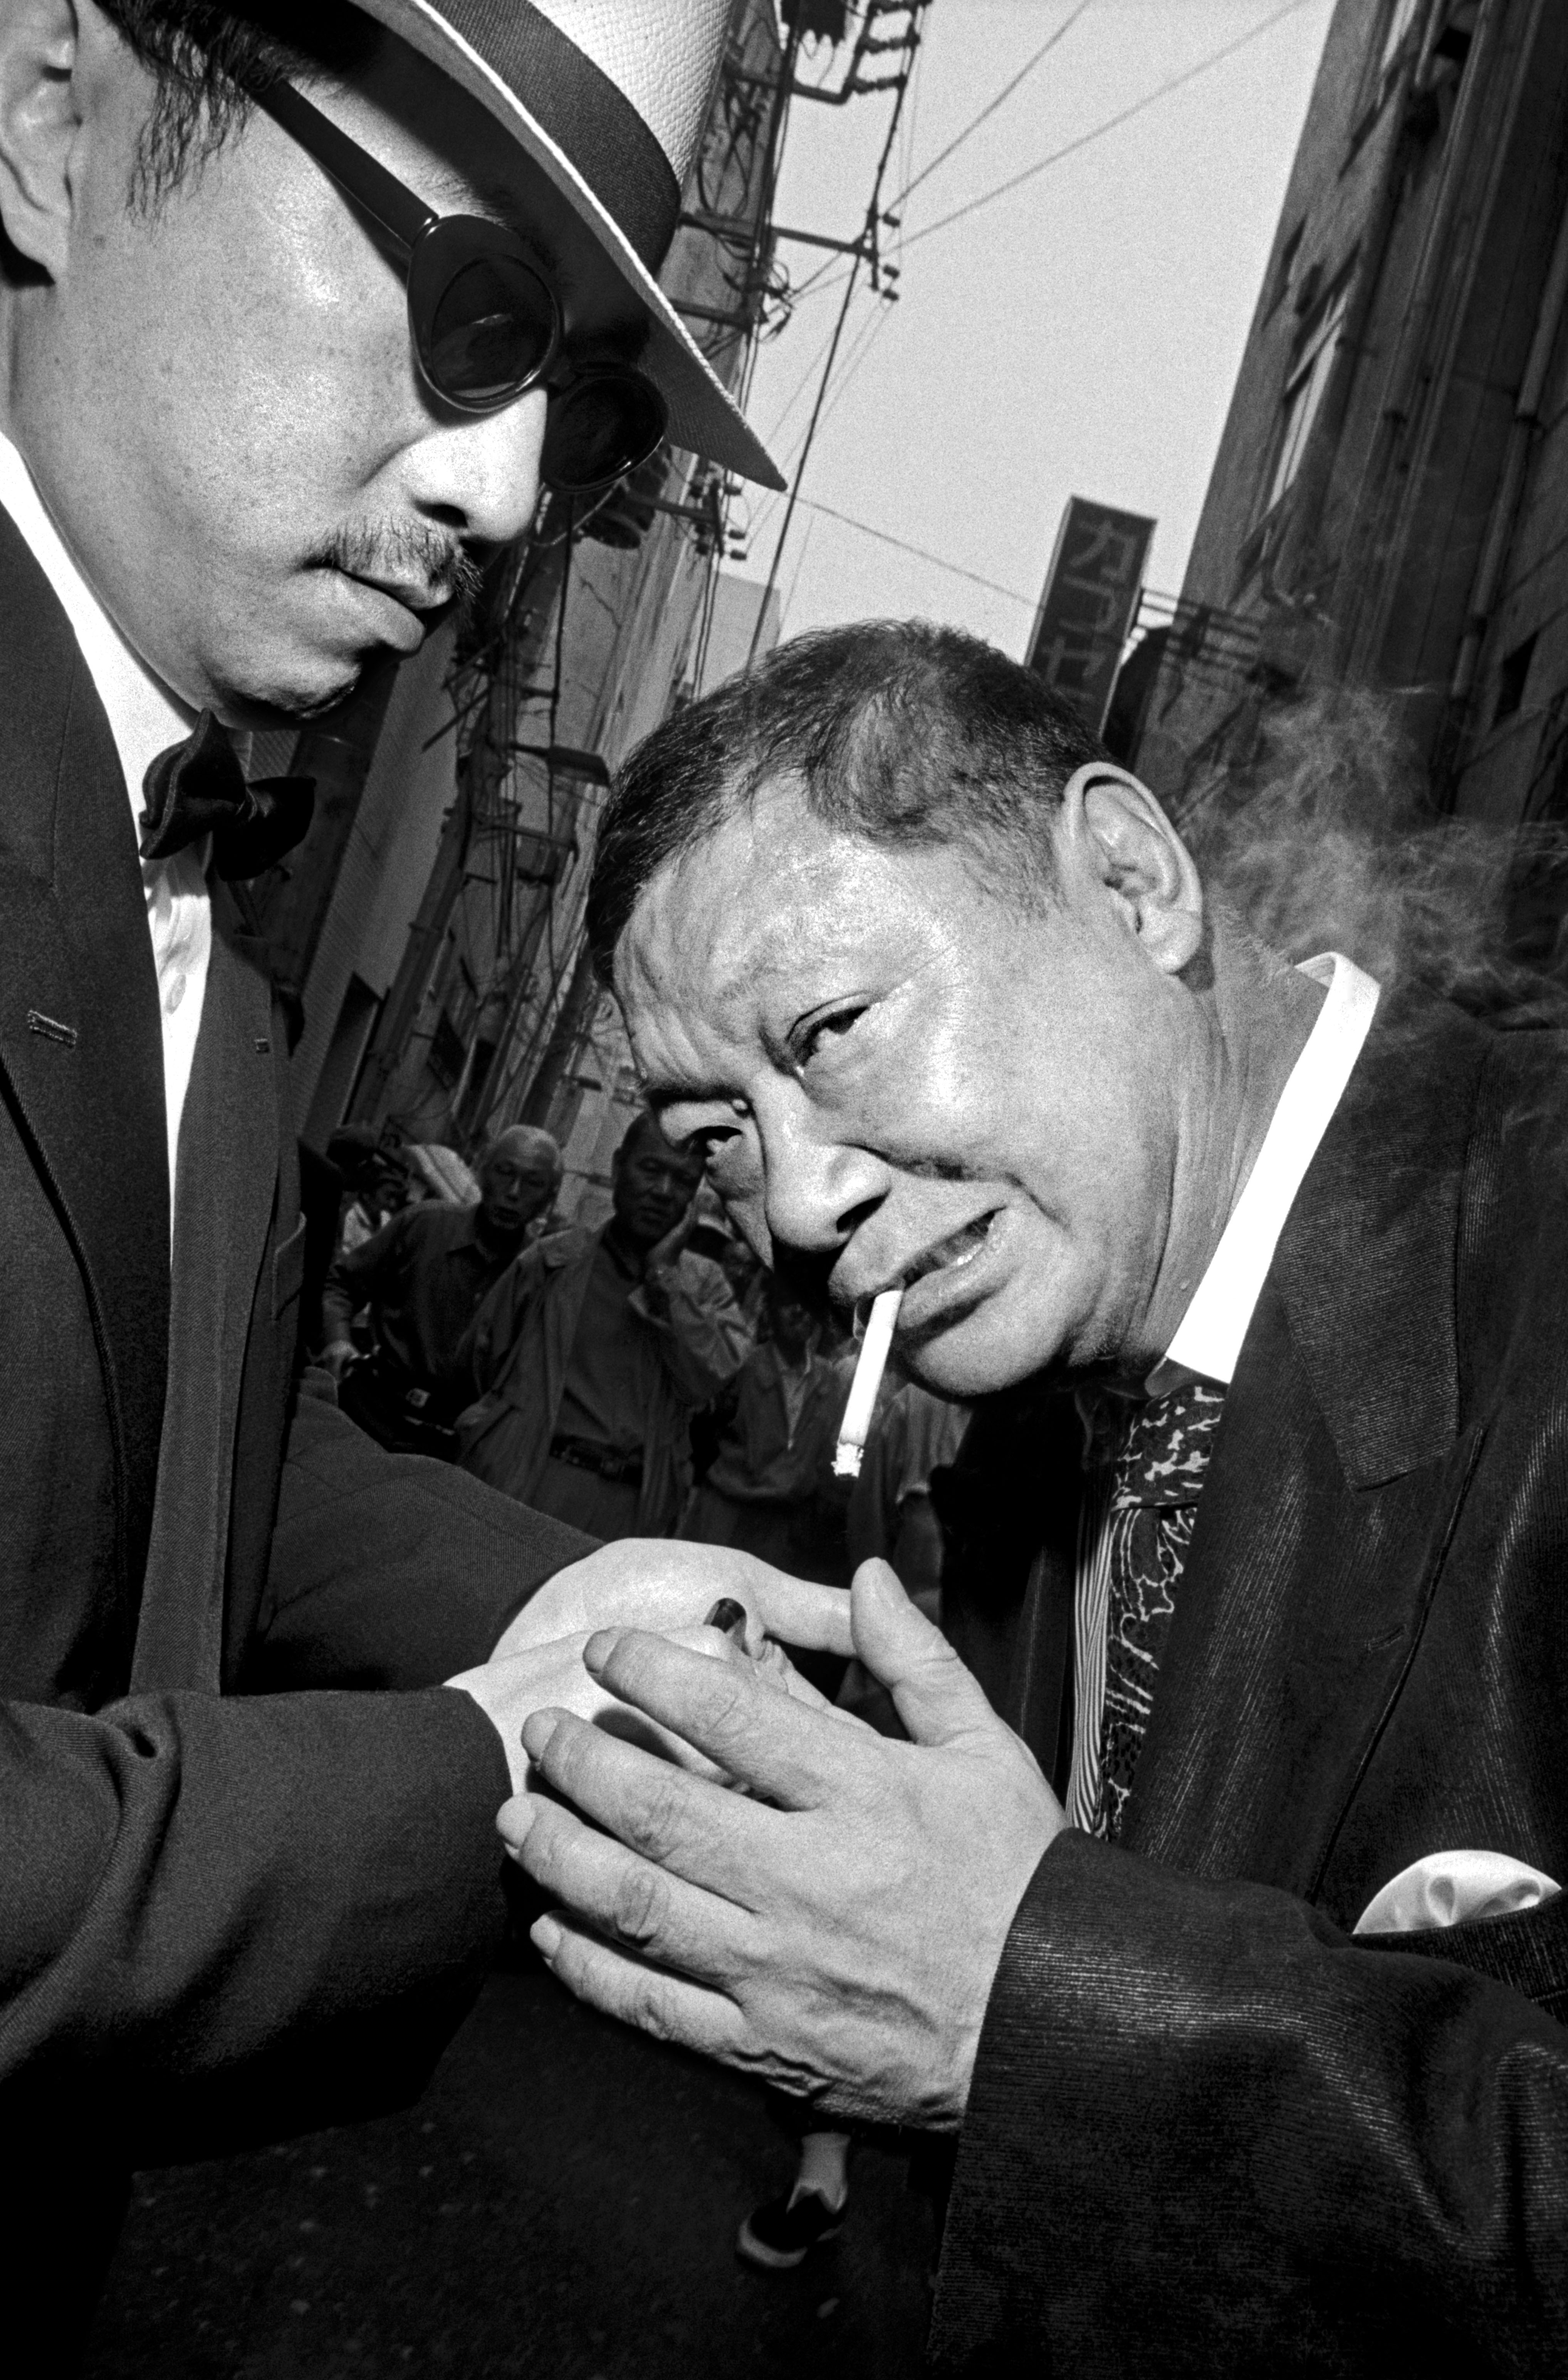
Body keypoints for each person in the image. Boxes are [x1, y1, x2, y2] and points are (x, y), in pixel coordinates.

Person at [0, 0, 839, 2357]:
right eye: (471, 312)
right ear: (56, 126)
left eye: (563, 405)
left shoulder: (222, 978)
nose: (492, 489)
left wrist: (660, 1643)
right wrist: (483, 1763)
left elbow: (210, 1470)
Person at [504, 619, 1568, 2373]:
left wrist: (1039, 2006)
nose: (787, 1201)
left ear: (1130, 879)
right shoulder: (1028, 1424)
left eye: (831, 1029)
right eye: (714, 1132)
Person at [456, 1110, 749, 1539]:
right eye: (650, 1169)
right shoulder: (553, 1263)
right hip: (530, 1481)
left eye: (683, 1180)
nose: (663, 1191)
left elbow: (709, 1380)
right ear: (617, 1167)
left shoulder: (704, 1284)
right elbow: (478, 1365)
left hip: (633, 1509)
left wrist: (664, 1279)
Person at [322, 1123, 562, 1453]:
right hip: (368, 1409)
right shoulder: (423, 1225)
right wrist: (338, 1343)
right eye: (505, 1173)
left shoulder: (540, 1277)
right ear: (481, 1172)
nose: (514, 1192)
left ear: (549, 1199)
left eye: (534, 1183)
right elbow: (341, 1285)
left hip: (451, 1445)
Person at [679, 1272, 844, 1584]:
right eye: (788, 1304)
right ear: (770, 1310)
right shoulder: (743, 1366)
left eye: (808, 1306)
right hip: (726, 1514)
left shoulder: (829, 1381)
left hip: (783, 1527)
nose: (799, 1312)